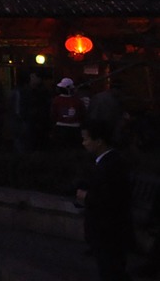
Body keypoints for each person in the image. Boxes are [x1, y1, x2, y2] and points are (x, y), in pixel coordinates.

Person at [76, 118, 134, 281]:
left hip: (109, 230)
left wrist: (86, 196)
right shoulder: (106, 163)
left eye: (86, 139)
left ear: (99, 141)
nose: (84, 143)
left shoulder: (111, 165)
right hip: (105, 231)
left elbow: (110, 198)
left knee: (112, 270)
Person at [52, 77, 88, 149]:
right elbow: (83, 114)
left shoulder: (57, 100)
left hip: (61, 127)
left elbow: (53, 114)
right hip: (75, 128)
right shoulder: (78, 100)